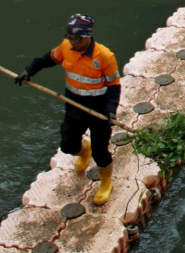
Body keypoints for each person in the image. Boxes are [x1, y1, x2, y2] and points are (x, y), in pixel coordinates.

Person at [16, 14, 122, 205]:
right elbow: (47, 59)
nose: (71, 42)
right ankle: (84, 150)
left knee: (101, 152)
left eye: (76, 39)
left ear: (87, 37)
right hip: (74, 107)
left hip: (98, 112)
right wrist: (29, 70)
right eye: (69, 37)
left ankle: (106, 183)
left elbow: (114, 85)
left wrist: (110, 110)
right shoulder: (66, 47)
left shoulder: (104, 56)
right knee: (68, 145)